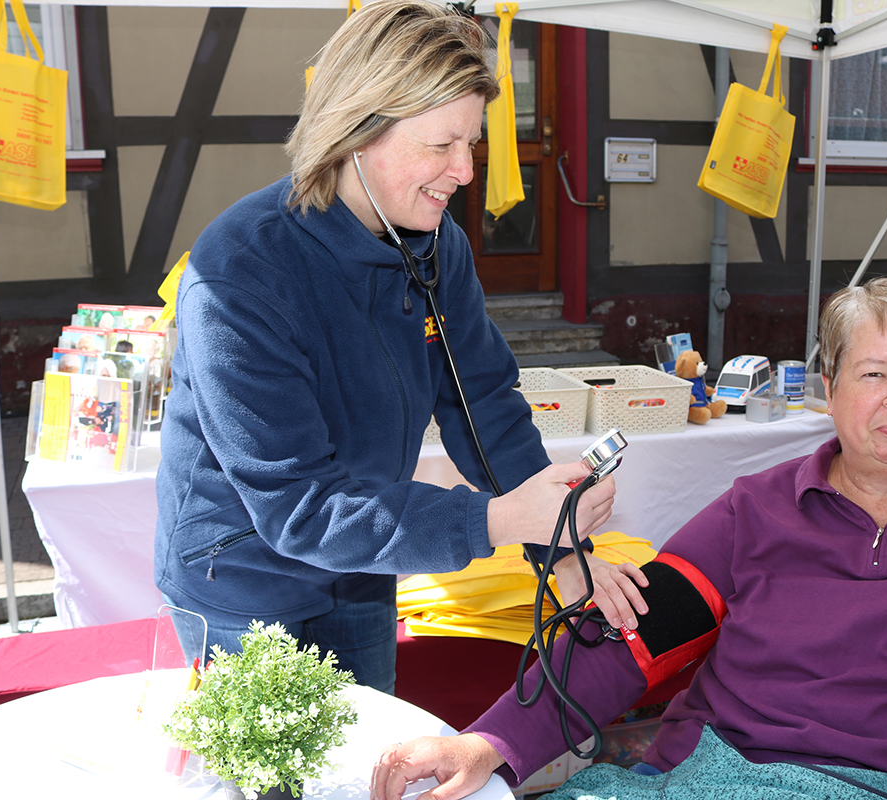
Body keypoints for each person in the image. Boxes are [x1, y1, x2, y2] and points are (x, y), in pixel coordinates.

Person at [372, 277, 887, 800]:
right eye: (875, 373)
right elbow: (632, 640)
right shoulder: (757, 509)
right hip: (714, 776)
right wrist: (493, 743)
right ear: (830, 387)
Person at [154, 0, 645, 693]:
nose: (466, 170)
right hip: (244, 578)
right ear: (357, 130)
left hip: (360, 559)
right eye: (441, 144)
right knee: (281, 785)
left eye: (470, 143)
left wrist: (559, 545)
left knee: (370, 767)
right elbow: (296, 506)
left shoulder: (438, 244)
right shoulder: (241, 271)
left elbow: (483, 405)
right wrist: (498, 519)